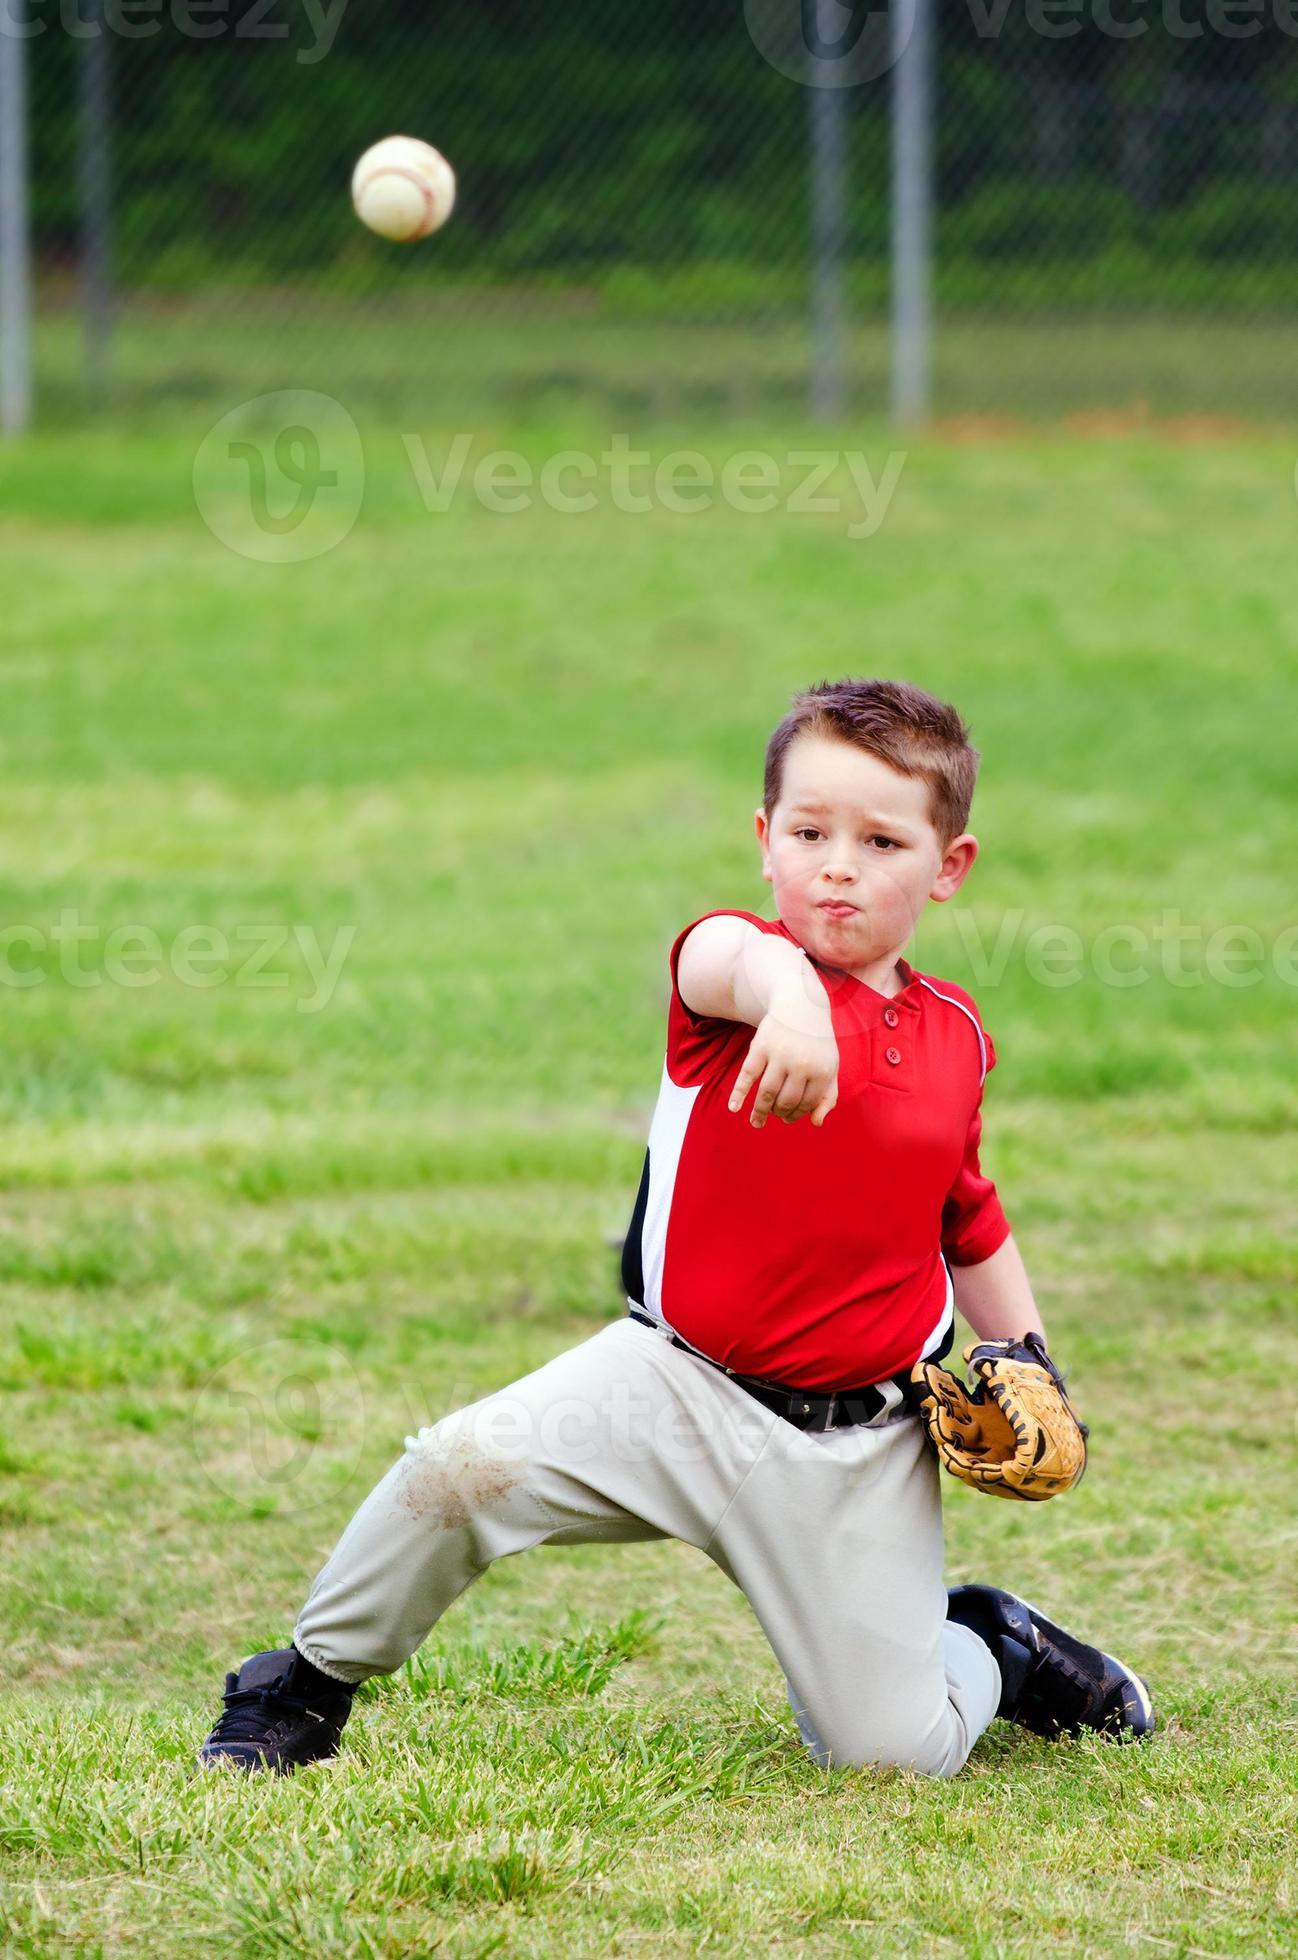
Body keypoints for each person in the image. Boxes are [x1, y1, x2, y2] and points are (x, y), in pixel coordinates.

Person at [197, 677, 1154, 1777]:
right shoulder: (731, 975)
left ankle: (993, 1642)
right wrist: (788, 997)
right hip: (671, 1389)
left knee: (892, 1754)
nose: (836, 863)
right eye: (807, 830)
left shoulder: (952, 1037)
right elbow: (724, 957)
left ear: (948, 866)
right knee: (459, 1469)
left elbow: (967, 1215)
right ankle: (302, 1687)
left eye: (881, 838)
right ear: (763, 840)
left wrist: (1030, 1361)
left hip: (858, 1446)